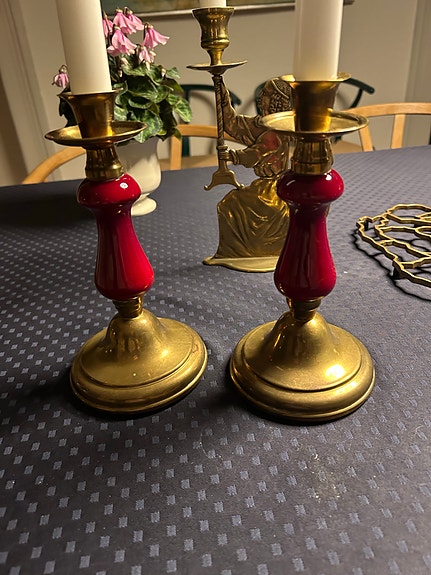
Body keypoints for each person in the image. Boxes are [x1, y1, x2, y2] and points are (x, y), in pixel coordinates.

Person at [205, 77, 292, 271]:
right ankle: (241, 250)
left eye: (266, 95)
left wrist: (233, 156)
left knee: (229, 205)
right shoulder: (261, 124)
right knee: (230, 203)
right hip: (264, 184)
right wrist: (222, 92)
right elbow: (233, 124)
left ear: (276, 100)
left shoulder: (277, 130)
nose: (261, 98)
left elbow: (257, 153)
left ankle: (242, 250)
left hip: (272, 188)